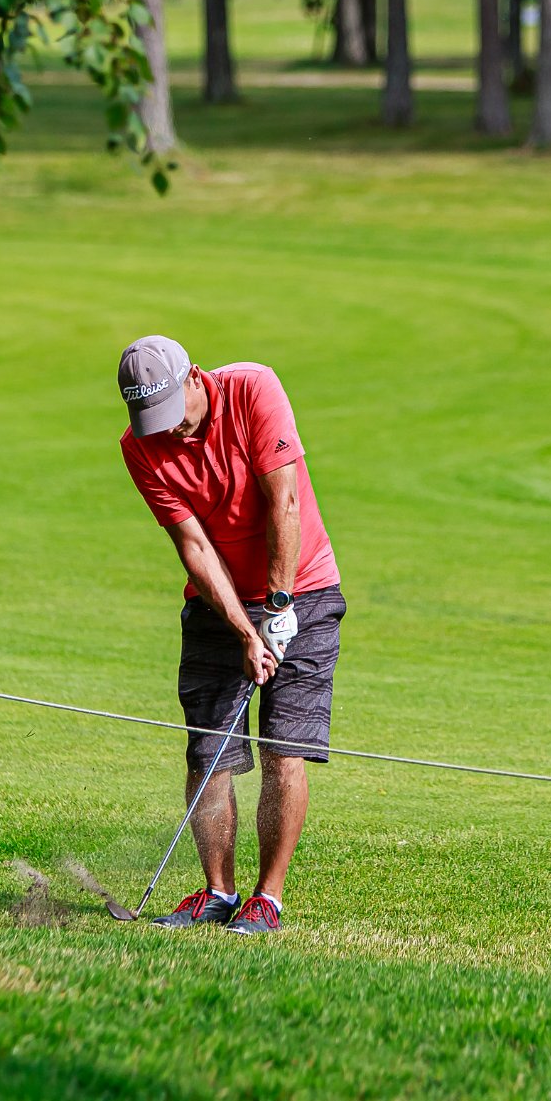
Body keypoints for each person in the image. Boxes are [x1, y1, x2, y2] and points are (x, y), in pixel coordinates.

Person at [115, 334, 344, 935]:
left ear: (194, 377)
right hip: (219, 605)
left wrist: (279, 606)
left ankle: (266, 899)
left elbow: (284, 505)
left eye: (174, 416)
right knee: (208, 751)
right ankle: (218, 891)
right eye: (152, 423)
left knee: (283, 747)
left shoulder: (253, 389)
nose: (170, 434)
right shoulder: (141, 447)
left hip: (304, 588)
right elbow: (193, 546)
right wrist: (245, 630)